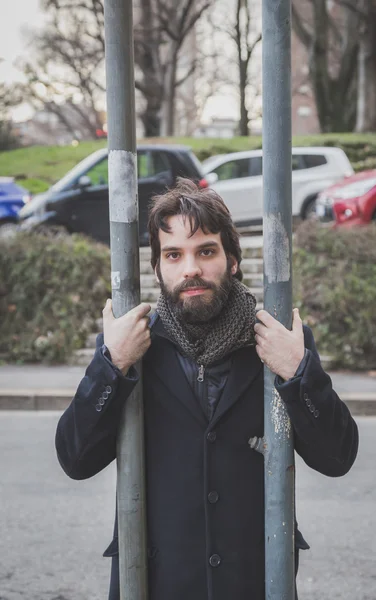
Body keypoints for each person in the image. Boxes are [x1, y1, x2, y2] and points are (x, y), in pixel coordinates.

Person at [55, 178, 358, 600]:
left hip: (253, 582)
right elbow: (75, 458)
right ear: (158, 267)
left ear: (233, 260)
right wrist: (112, 364)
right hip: (157, 582)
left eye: (206, 251)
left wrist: (298, 371)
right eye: (174, 254)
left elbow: (337, 457)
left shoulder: (280, 339)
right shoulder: (130, 344)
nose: (190, 269)